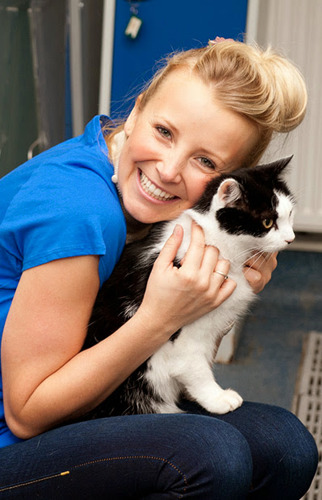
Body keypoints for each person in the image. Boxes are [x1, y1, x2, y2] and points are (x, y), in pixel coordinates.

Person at [0, 38, 317, 499]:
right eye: (165, 132)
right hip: (15, 435)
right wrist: (159, 318)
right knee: (209, 455)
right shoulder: (81, 210)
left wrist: (221, 297)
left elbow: (175, 356)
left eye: (205, 161)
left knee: (287, 446)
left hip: (88, 401)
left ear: (230, 185)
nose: (169, 170)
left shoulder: (132, 181)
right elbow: (28, 413)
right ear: (138, 110)